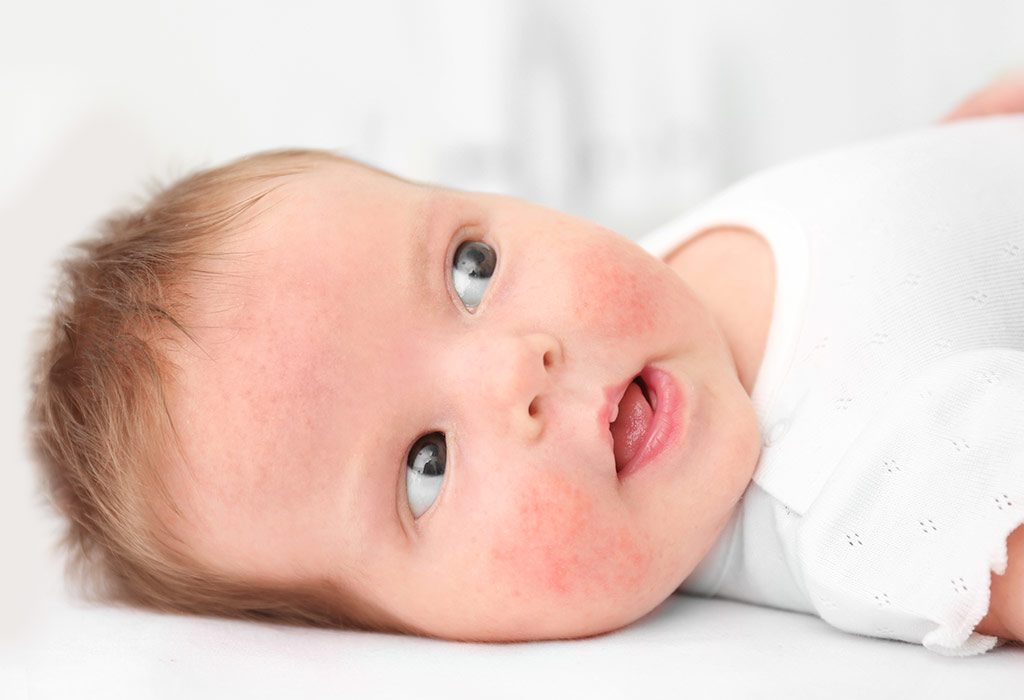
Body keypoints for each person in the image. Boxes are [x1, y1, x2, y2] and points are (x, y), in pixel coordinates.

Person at [29, 74, 1024, 655]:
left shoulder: (670, 271)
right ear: (409, 632)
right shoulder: (869, 497)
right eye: (426, 465)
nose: (520, 370)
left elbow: (899, 211)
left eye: (472, 269)